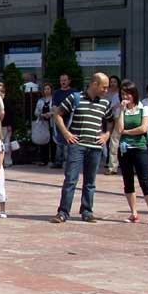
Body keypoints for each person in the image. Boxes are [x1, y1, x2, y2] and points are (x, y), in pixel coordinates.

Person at [51, 73, 114, 224]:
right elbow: (57, 114)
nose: (106, 90)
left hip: (95, 146)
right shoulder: (75, 98)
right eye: (104, 87)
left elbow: (111, 120)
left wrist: (106, 135)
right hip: (77, 146)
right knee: (71, 180)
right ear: (94, 84)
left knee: (90, 181)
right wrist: (66, 133)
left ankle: (87, 211)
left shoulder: (105, 103)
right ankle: (63, 212)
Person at [117, 81, 148, 226]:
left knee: (144, 181)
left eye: (128, 94)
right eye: (123, 94)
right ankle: (134, 213)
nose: (125, 97)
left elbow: (143, 128)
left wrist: (127, 132)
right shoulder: (122, 110)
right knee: (128, 181)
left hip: (139, 148)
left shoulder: (143, 108)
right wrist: (121, 111)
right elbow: (119, 129)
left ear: (134, 94)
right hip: (125, 149)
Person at [51, 73, 75, 167]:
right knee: (59, 140)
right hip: (59, 118)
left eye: (65, 80)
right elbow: (54, 106)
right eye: (61, 80)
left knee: (69, 140)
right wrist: (57, 112)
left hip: (71, 119)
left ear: (69, 81)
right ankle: (58, 161)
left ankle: (68, 161)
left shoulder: (73, 92)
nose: (63, 82)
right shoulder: (57, 93)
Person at [34, 82, 56, 166]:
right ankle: (44, 160)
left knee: (53, 142)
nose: (46, 90)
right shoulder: (40, 101)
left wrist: (50, 114)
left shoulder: (54, 99)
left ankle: (53, 160)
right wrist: (42, 115)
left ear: (51, 90)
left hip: (52, 122)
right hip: (43, 123)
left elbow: (57, 110)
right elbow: (36, 112)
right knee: (44, 141)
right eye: (45, 89)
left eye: (48, 89)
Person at [104, 75, 122, 175]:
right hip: (116, 119)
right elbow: (111, 108)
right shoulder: (116, 96)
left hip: (129, 121)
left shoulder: (133, 97)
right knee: (113, 143)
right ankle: (112, 167)